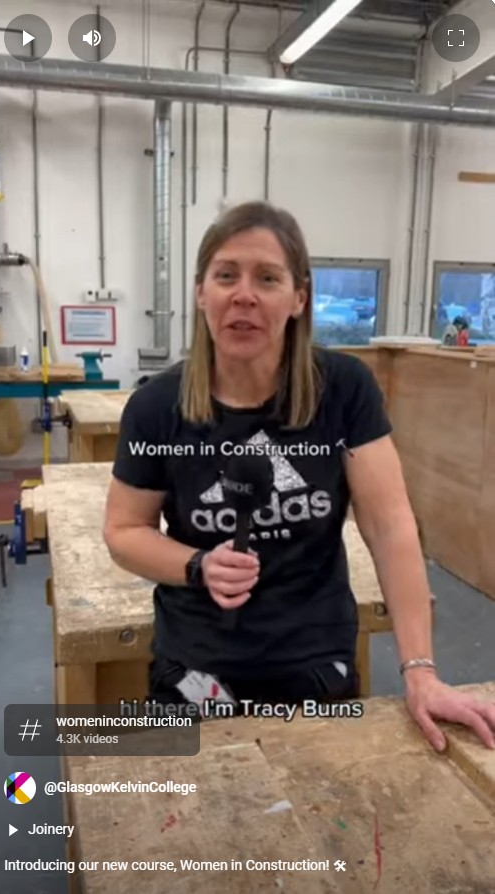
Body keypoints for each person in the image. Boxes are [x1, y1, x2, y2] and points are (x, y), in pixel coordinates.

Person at [104, 200, 495, 752]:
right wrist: (197, 565)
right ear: (200, 294)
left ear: (299, 297)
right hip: (197, 665)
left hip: (313, 662)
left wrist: (421, 672)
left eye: (267, 277)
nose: (244, 294)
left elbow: (389, 527)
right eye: (225, 275)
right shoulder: (156, 408)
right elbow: (123, 531)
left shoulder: (344, 390)